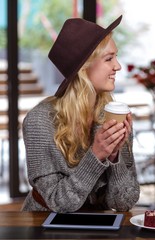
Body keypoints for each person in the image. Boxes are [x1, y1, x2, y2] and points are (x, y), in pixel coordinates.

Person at [21, 15, 140, 212]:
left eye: (116, 57)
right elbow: (59, 203)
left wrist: (114, 157)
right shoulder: (39, 122)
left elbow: (123, 203)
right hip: (44, 224)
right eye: (109, 58)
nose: (118, 66)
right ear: (84, 69)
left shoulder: (113, 117)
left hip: (98, 225)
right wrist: (96, 155)